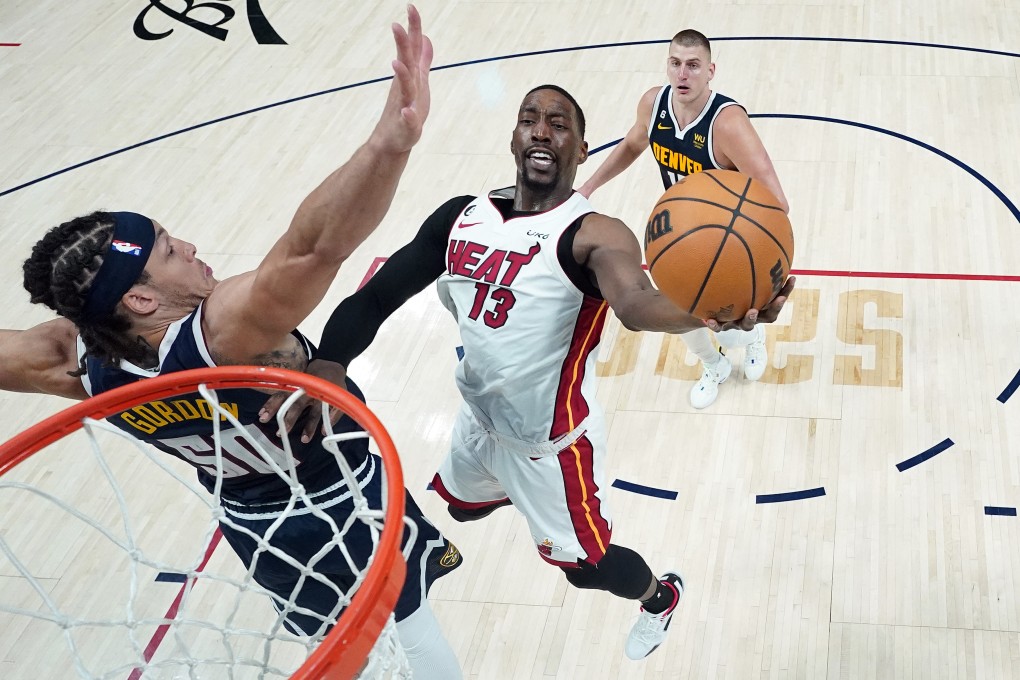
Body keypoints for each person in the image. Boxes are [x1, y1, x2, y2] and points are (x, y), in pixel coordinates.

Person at [0, 7, 463, 679]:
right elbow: (314, 248)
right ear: (141, 298)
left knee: (342, 655)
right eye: (167, 248)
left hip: (262, 530)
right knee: (412, 629)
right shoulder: (222, 333)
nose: (188, 244)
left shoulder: (81, 367)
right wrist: (389, 143)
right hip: (347, 505)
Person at [302, 84, 794, 660]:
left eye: (558, 123)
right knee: (460, 508)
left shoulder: (594, 233)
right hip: (479, 423)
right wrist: (330, 360)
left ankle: (661, 597)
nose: (541, 130)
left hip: (549, 446)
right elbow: (376, 296)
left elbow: (635, 306)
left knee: (584, 571)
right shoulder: (461, 217)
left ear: (582, 149)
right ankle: (523, 503)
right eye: (529, 119)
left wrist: (715, 312)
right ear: (513, 136)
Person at [578, 29, 791, 409]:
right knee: (676, 317)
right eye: (675, 64)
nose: (683, 74)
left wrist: (734, 224)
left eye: (693, 66)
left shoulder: (727, 124)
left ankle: (753, 339)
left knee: (729, 331)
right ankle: (714, 367)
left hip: (725, 242)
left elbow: (778, 201)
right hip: (677, 234)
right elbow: (631, 145)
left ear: (710, 71)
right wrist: (587, 188)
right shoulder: (653, 103)